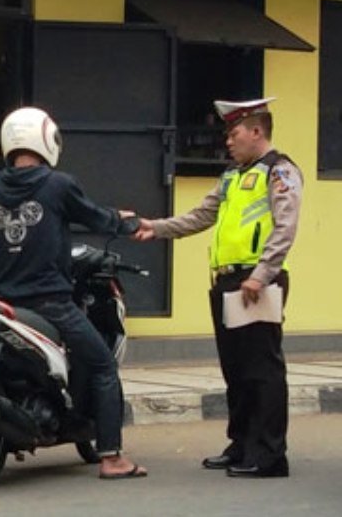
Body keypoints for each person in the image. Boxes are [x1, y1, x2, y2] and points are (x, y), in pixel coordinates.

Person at [0, 107, 147, 479]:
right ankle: (113, 457)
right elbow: (94, 216)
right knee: (102, 367)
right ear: (47, 140)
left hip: (2, 305)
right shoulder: (58, 185)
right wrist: (125, 222)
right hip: (50, 304)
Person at [134, 97, 301, 478]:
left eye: (235, 132)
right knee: (236, 369)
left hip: (257, 280)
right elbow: (200, 216)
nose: (228, 140)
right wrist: (156, 227)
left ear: (257, 131)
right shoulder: (232, 175)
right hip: (228, 281)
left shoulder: (280, 171)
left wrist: (261, 274)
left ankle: (270, 455)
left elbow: (285, 227)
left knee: (263, 369)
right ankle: (242, 444)